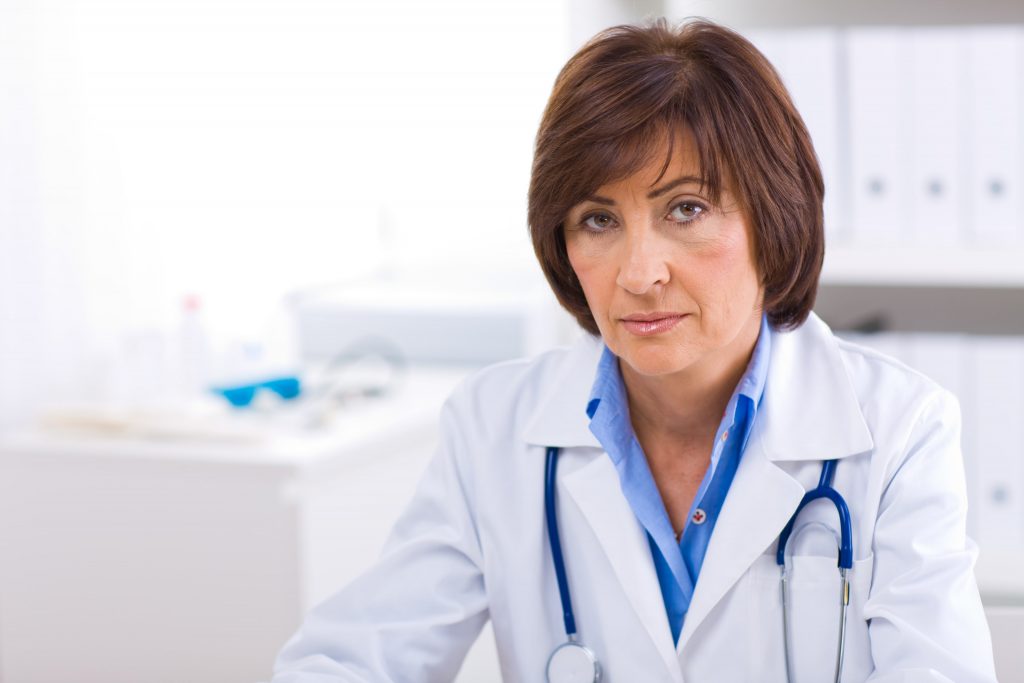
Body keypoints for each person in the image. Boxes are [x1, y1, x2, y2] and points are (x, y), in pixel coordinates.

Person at [271, 17, 997, 682]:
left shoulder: (900, 430)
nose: (639, 273)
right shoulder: (492, 429)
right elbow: (341, 663)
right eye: (598, 219)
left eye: (686, 209)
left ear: (774, 218)